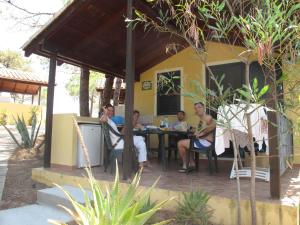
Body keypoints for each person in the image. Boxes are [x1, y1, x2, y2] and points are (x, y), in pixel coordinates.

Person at [100, 104, 149, 169]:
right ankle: (142, 164)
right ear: (105, 110)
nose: (111, 112)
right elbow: (102, 120)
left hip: (120, 140)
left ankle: (141, 164)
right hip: (118, 143)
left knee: (141, 141)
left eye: (112, 111)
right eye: (109, 110)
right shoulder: (106, 119)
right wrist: (105, 113)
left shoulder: (109, 120)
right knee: (140, 139)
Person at [177, 102, 216, 172]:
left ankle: (186, 165)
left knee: (180, 143)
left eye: (199, 107)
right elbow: (200, 130)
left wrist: (201, 134)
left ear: (204, 108)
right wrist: (195, 131)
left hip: (207, 142)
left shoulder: (208, 117)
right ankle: (191, 164)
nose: (197, 109)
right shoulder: (201, 120)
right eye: (196, 108)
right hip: (202, 141)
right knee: (187, 142)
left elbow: (214, 126)